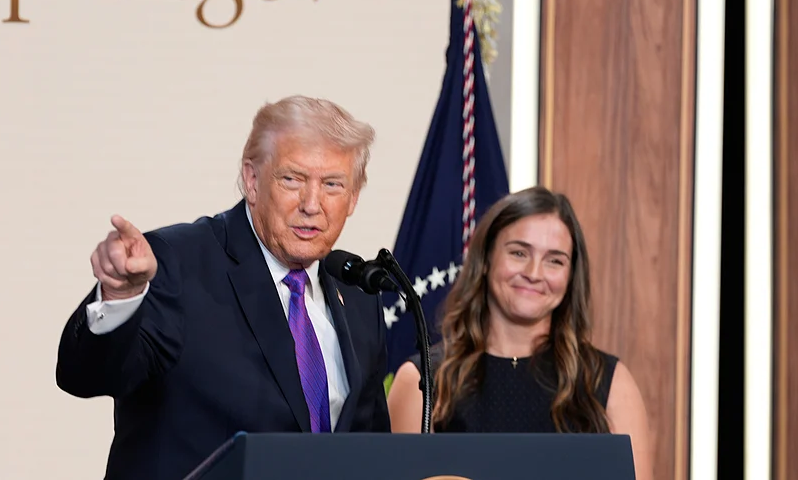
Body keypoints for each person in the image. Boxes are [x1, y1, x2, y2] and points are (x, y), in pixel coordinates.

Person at [56, 95, 391, 480]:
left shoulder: (359, 297)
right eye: (292, 179)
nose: (312, 204)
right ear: (252, 179)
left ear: (353, 198)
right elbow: (86, 375)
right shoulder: (176, 262)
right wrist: (119, 298)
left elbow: (369, 448)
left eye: (332, 184)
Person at [385, 187, 652, 480]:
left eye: (555, 260)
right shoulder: (421, 379)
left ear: (571, 274)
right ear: (485, 259)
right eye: (519, 252)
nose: (534, 273)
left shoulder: (609, 381)